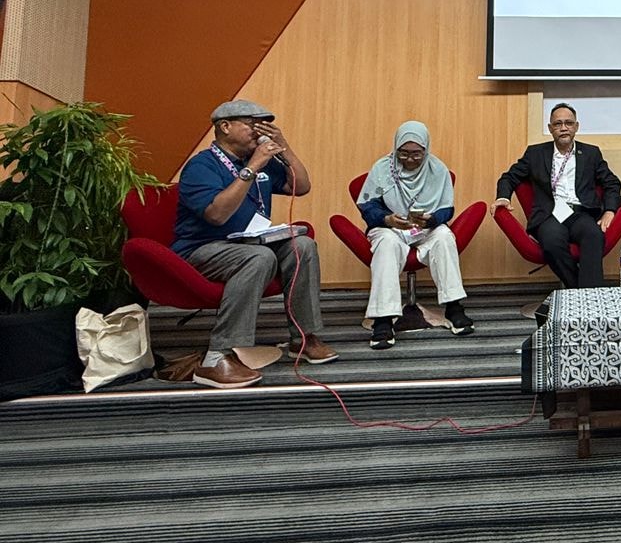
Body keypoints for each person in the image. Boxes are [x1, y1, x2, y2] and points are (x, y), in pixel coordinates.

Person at [173, 100, 337, 388]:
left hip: (251, 242)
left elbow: (301, 186)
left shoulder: (262, 162)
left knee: (303, 246)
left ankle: (303, 338)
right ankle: (217, 355)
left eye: (263, 125)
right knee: (259, 257)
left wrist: (284, 148)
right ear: (225, 127)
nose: (259, 131)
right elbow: (217, 215)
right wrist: (251, 168)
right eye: (251, 124)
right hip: (203, 248)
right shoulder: (201, 165)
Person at [356, 121, 474, 350]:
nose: (410, 159)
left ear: (425, 150)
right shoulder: (382, 168)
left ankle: (454, 307)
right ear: (396, 148)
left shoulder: (438, 169)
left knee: (444, 237)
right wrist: (386, 219)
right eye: (404, 153)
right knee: (386, 244)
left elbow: (447, 209)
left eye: (416, 154)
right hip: (391, 228)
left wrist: (432, 219)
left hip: (425, 228)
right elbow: (368, 206)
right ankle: (383, 320)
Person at [493, 103, 621, 288]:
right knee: (552, 242)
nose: (563, 128)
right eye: (558, 124)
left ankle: (590, 294)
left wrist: (609, 210)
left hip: (581, 214)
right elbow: (509, 177)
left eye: (568, 123)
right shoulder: (535, 153)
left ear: (576, 126)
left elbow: (612, 183)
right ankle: (579, 291)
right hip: (549, 215)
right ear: (550, 128)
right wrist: (503, 197)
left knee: (594, 235)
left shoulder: (591, 153)